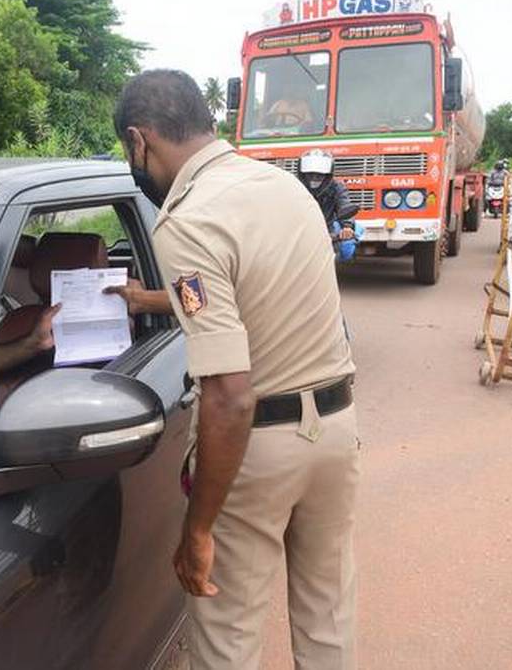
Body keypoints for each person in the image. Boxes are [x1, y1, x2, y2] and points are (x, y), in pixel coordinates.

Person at [114, 69, 360, 670]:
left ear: (139, 141)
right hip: (335, 431)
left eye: (130, 151)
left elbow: (229, 396)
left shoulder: (188, 220)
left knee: (228, 634)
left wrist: (198, 529)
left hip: (259, 448)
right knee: (327, 617)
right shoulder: (285, 189)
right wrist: (149, 299)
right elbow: (253, 291)